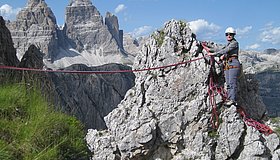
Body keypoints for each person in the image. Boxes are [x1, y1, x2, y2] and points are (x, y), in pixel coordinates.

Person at [207, 27, 241, 106]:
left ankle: (232, 99)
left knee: (232, 82)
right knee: (228, 83)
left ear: (233, 35)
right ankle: (230, 98)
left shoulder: (234, 43)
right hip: (228, 64)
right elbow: (220, 49)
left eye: (230, 34)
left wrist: (213, 54)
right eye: (227, 34)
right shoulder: (228, 44)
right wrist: (209, 46)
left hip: (233, 64)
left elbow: (224, 51)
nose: (228, 36)